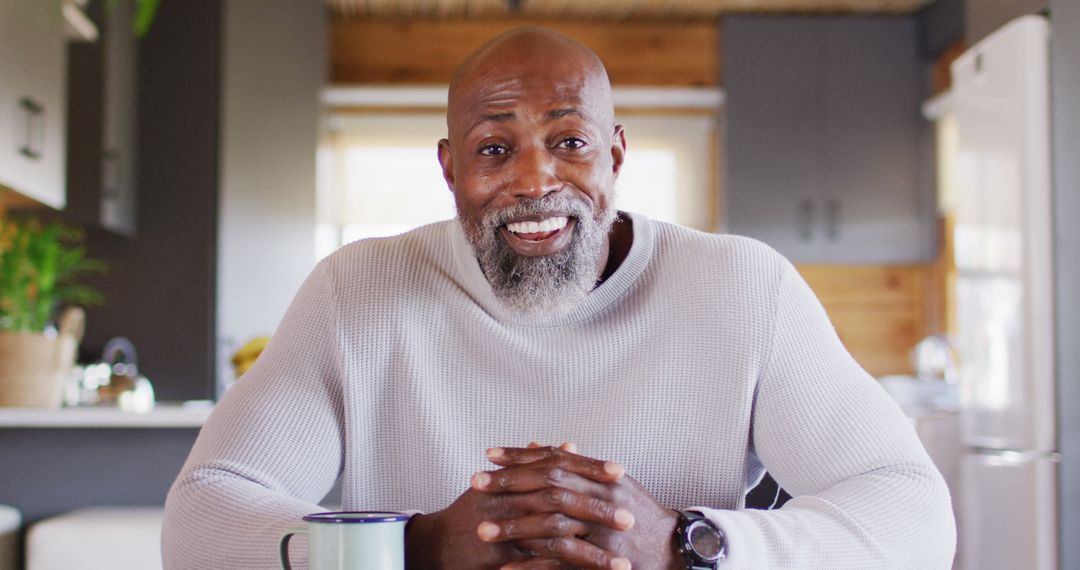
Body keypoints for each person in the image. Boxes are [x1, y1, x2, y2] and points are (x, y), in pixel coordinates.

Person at [162, 27, 956, 569]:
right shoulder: (355, 293)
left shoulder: (745, 288)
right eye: (495, 148)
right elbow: (200, 521)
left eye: (570, 142)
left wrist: (686, 544)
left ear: (615, 154)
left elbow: (916, 517)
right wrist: (416, 549)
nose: (535, 181)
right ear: (449, 169)